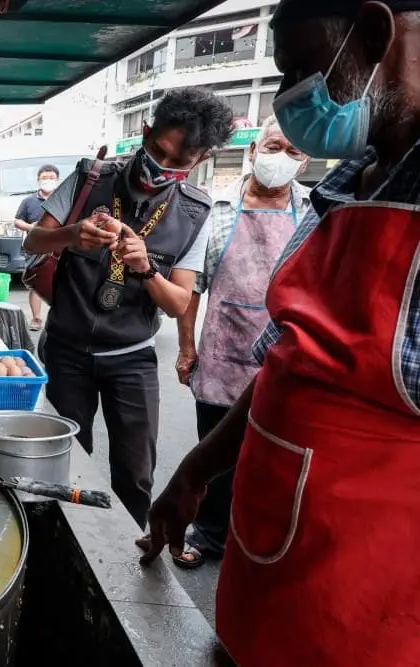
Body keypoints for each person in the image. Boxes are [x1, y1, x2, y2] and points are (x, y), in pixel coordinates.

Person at [142, 2, 420, 665]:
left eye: (302, 68)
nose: (289, 95)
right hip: (268, 546)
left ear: (375, 35)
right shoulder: (346, 184)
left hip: (369, 584)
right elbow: (287, 362)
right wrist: (200, 465)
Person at [24, 87, 234, 528]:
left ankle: (131, 551)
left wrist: (146, 269)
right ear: (145, 131)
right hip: (66, 351)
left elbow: (179, 303)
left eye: (179, 162)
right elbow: (33, 242)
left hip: (131, 360)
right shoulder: (89, 178)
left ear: (199, 160)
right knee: (67, 460)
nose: (162, 167)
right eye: (158, 151)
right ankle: (66, 539)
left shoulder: (194, 212)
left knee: (136, 473)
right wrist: (71, 234)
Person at [166, 116, 311, 570]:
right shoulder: (217, 209)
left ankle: (262, 545)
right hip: (223, 357)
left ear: (305, 162)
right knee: (215, 455)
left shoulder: (314, 212)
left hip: (286, 360)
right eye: (273, 147)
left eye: (293, 151)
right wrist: (186, 349)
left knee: (275, 459)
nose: (281, 159)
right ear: (252, 151)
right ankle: (210, 536)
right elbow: (192, 289)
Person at [14, 164, 60, 331]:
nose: (48, 181)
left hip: (59, 248)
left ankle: (60, 318)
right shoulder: (29, 201)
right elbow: (17, 220)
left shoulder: (62, 199)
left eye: (51, 178)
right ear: (38, 180)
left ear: (58, 180)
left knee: (62, 282)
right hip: (35, 249)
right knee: (36, 282)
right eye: (44, 178)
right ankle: (36, 318)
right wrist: (31, 227)